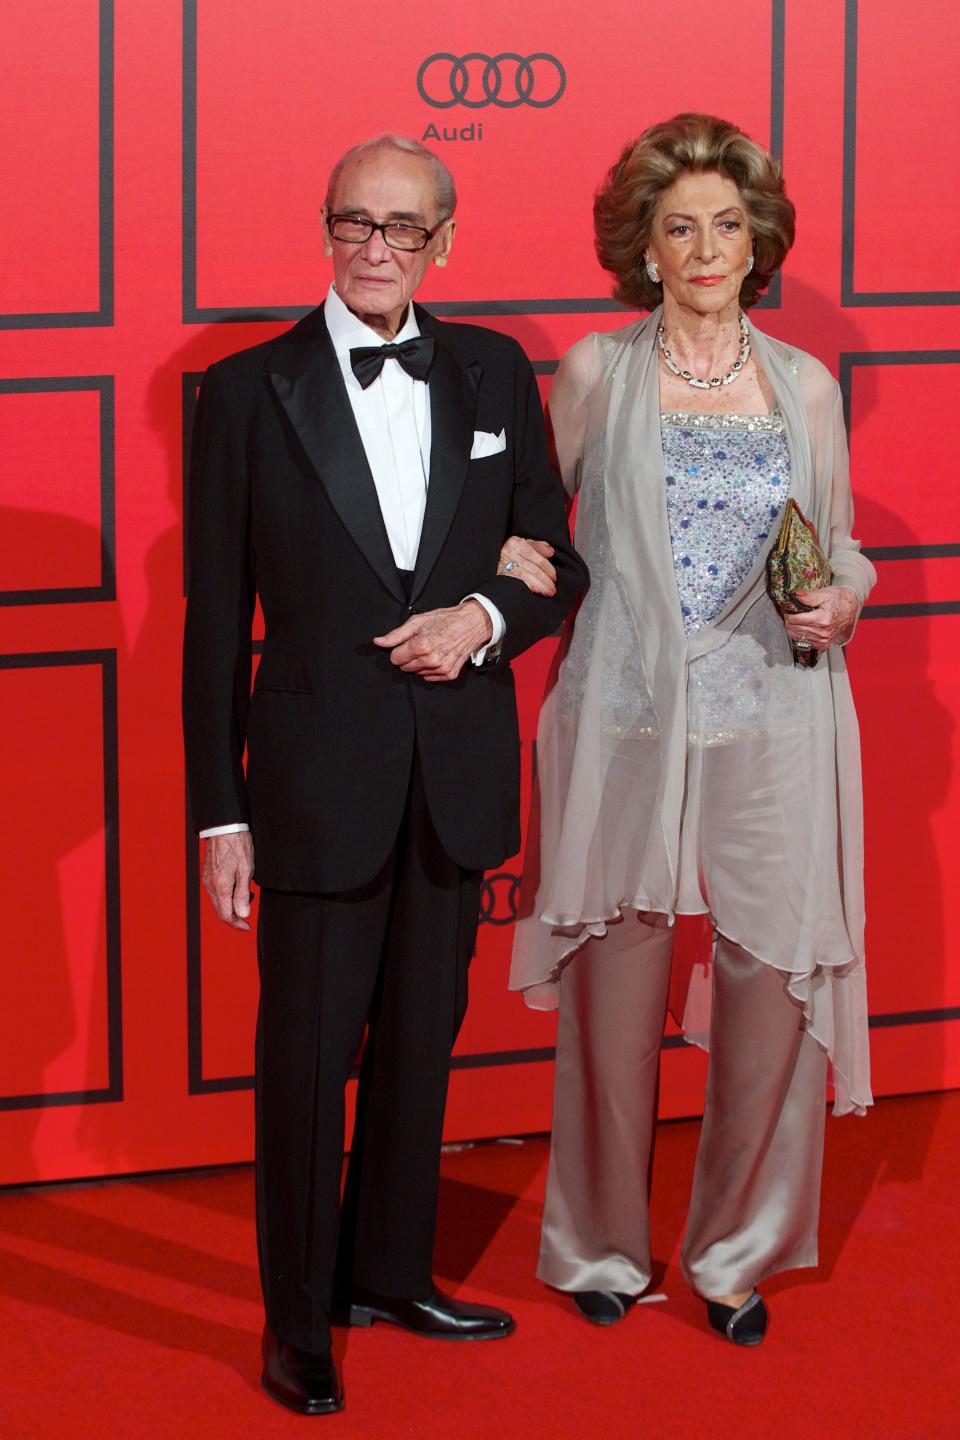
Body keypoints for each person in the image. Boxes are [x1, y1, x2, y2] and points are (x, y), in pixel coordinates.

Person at [182, 134, 586, 1415]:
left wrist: (481, 619)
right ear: (324, 230)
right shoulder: (247, 391)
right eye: (355, 222)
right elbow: (211, 621)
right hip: (308, 785)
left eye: (403, 227)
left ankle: (391, 1271)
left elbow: (553, 563)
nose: (376, 247)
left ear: (444, 243)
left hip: (451, 773)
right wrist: (218, 809)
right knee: (304, 1065)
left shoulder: (491, 371)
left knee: (422, 1042)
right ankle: (297, 1323)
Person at [506, 113, 875, 1345]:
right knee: (617, 988)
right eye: (682, 228)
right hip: (622, 713)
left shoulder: (804, 384)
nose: (708, 248)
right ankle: (601, 1246)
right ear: (645, 249)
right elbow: (543, 539)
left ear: (755, 241)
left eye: (728, 225)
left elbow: (837, 544)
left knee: (771, 985)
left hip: (775, 717)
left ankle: (732, 1253)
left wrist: (845, 595)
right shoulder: (597, 375)